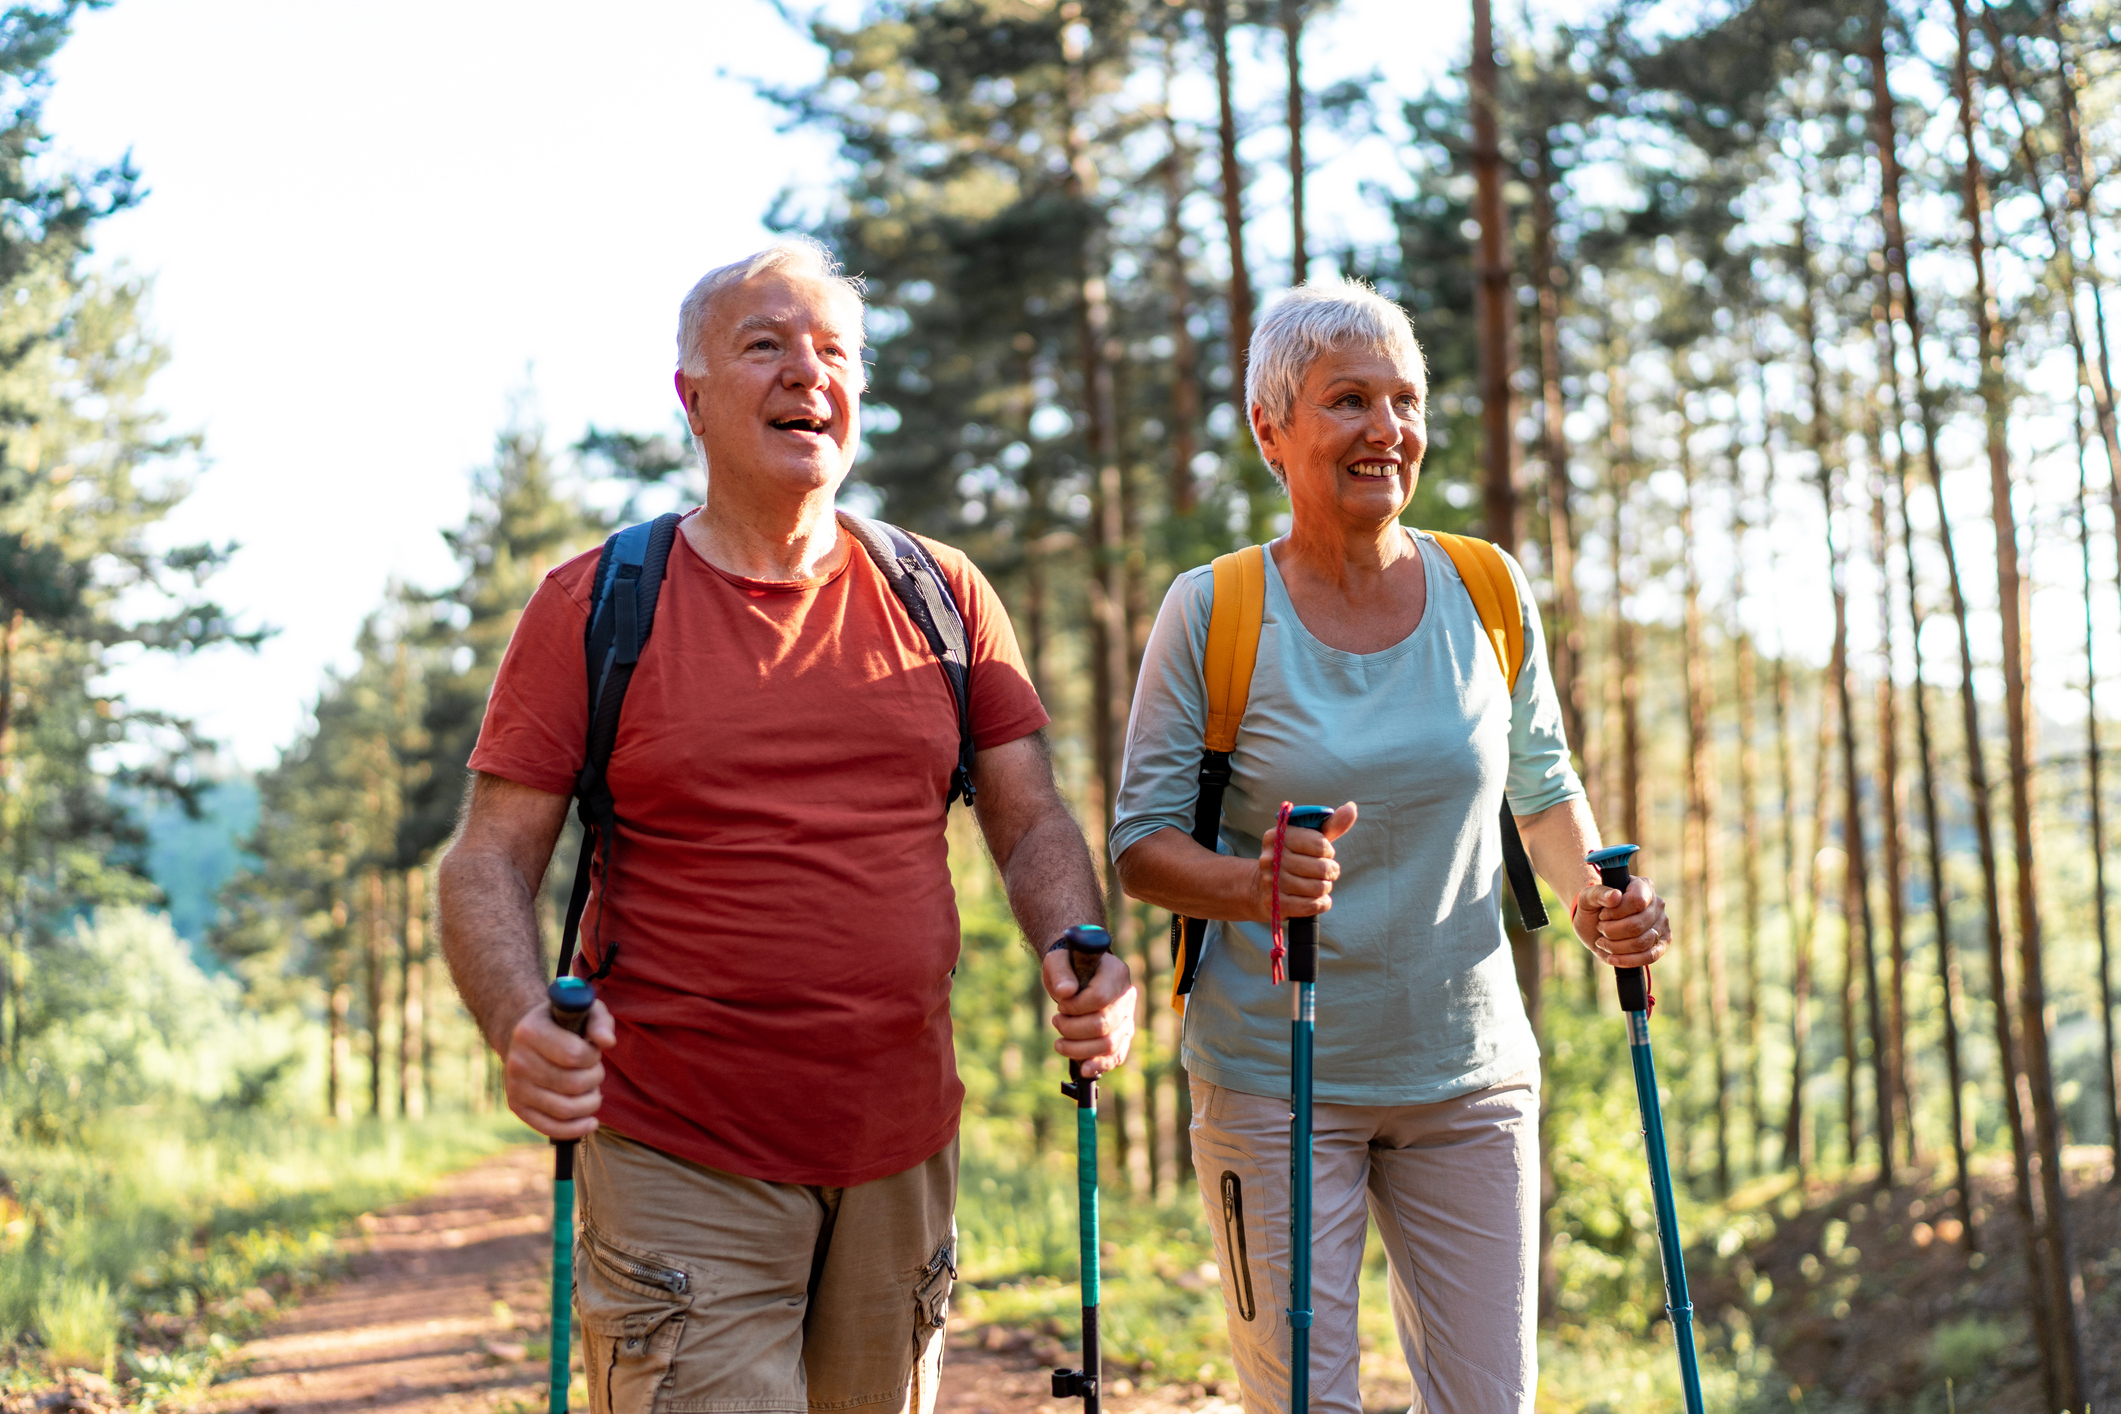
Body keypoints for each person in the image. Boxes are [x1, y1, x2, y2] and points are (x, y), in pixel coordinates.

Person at [437, 237, 1135, 1414]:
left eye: (834, 352)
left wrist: (1085, 946)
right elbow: (487, 861)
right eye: (765, 346)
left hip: (903, 1149)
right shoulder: (599, 603)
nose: (808, 374)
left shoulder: (942, 594)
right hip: (679, 1145)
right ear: (692, 400)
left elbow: (1029, 822)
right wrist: (518, 1021)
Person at [1110, 279, 1671, 1414]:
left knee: (1489, 1403)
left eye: (1405, 401)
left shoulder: (1487, 587)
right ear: (1273, 429)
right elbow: (1141, 844)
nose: (1387, 430)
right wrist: (1252, 885)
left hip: (1470, 1074)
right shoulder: (1212, 611)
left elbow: (1544, 792)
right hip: (1276, 1075)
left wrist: (1601, 904)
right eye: (1349, 401)